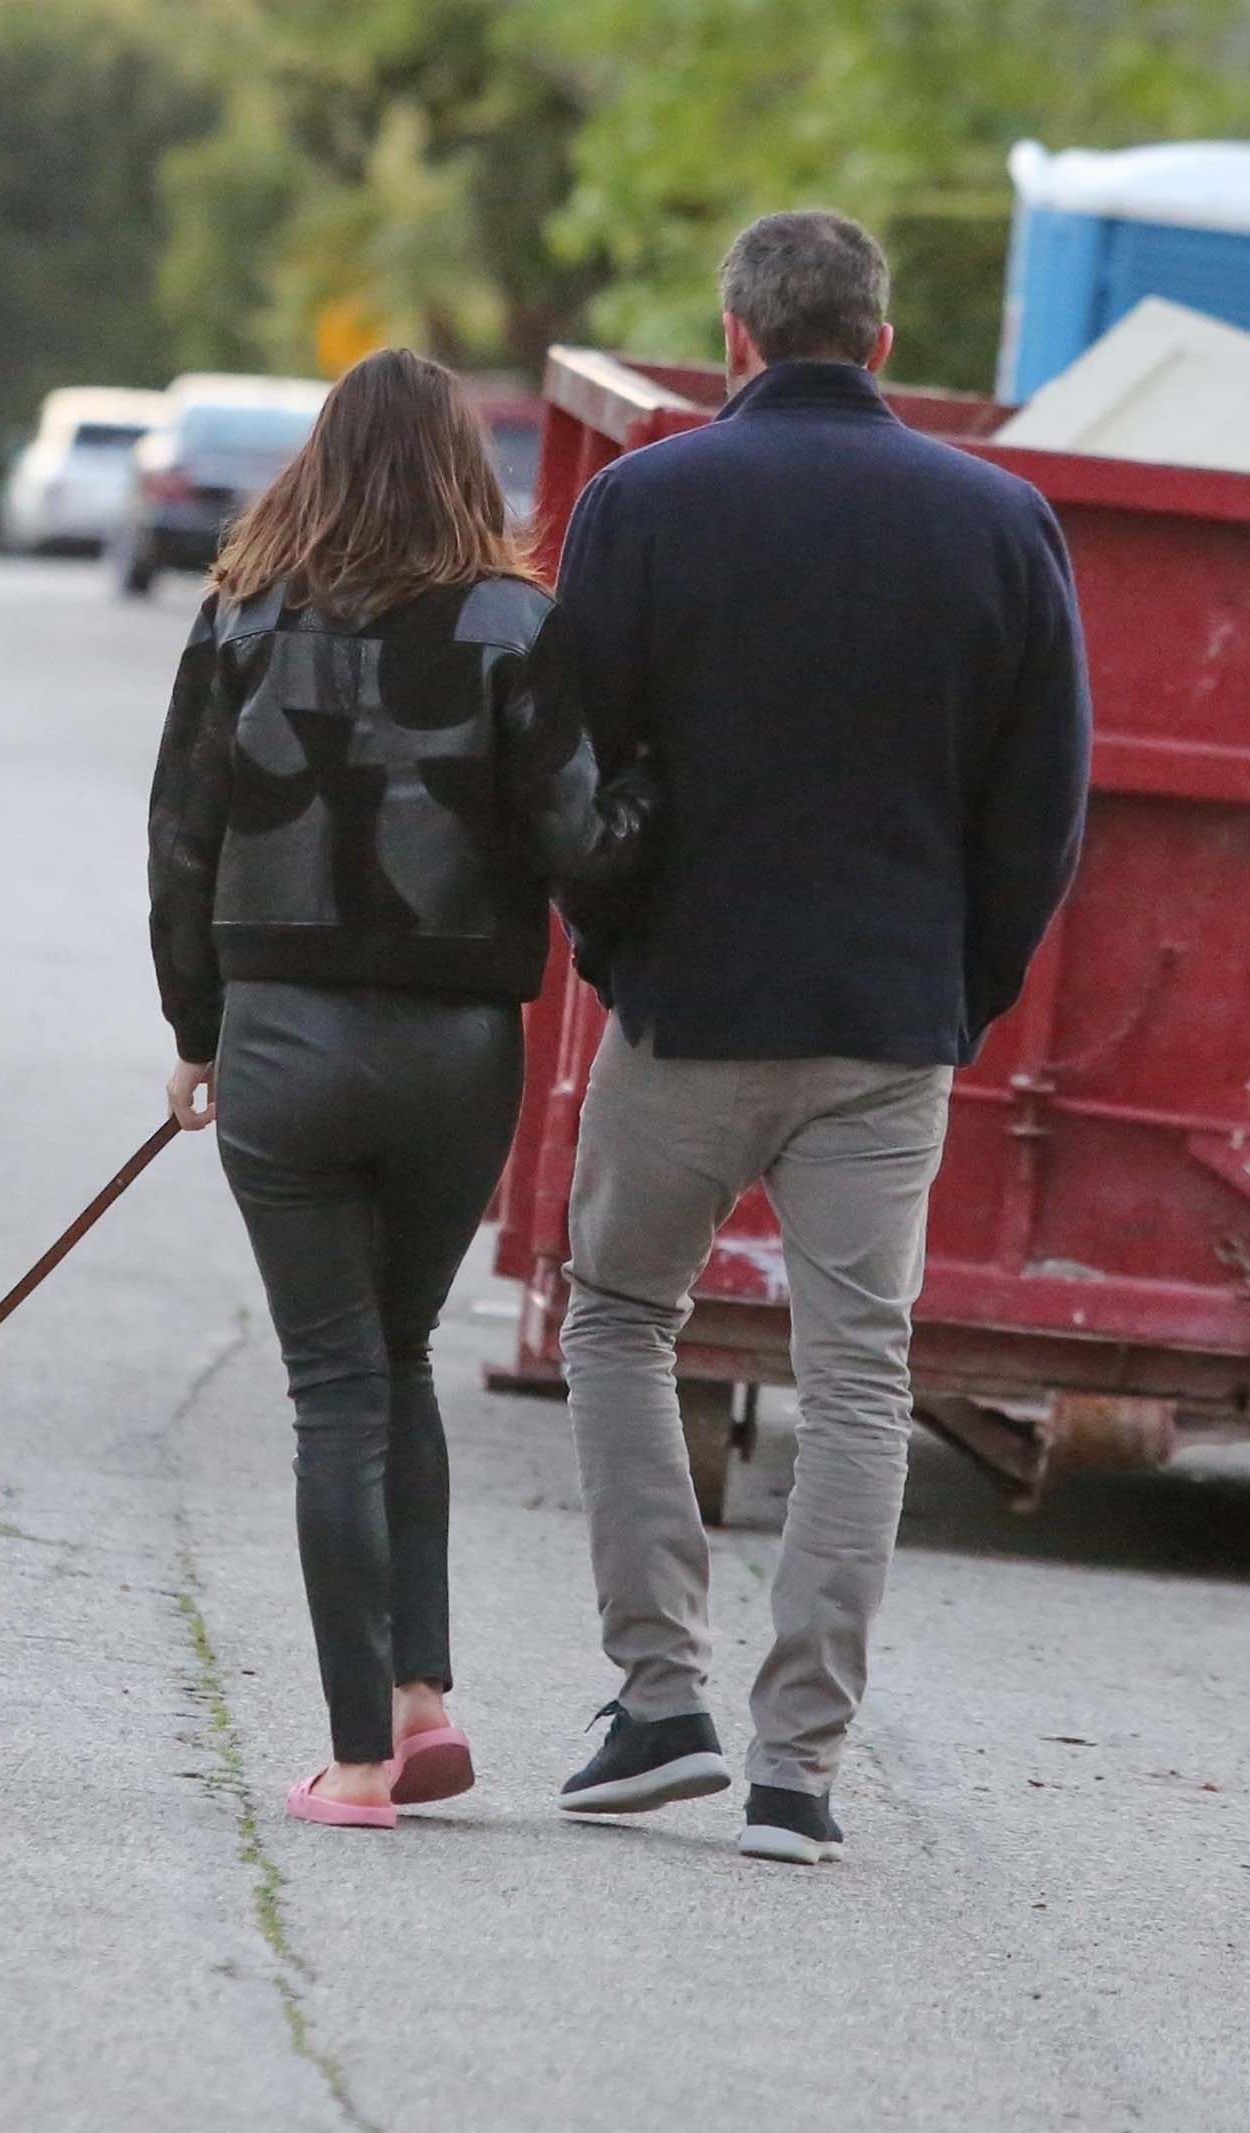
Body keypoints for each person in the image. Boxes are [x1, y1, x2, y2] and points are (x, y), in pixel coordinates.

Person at [543, 210, 1092, 1865]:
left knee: (621, 1317)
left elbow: (569, 767)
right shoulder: (1005, 523)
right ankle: (799, 1770)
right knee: (858, 1381)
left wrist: (619, 952)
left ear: (732, 337)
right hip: (885, 1023)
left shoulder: (642, 502)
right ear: (885, 342)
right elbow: (1043, 805)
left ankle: (656, 1700)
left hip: (690, 1012)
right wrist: (958, 987)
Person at [147, 347, 657, 1831]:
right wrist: (673, 780)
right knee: (401, 1346)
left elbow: (181, 834)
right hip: (453, 1049)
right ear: (458, 467)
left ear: (320, 456)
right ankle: (421, 1701)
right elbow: (584, 838)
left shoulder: (240, 611)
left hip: (285, 1039)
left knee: (332, 1386)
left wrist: (198, 1028)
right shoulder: (514, 622)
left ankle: (358, 1761)